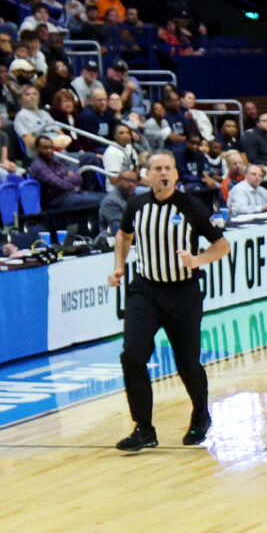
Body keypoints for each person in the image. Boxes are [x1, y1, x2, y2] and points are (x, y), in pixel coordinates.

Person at [110, 151, 232, 452]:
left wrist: (197, 260)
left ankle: (201, 415)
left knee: (187, 363)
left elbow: (222, 245)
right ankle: (144, 428)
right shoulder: (137, 206)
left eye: (168, 168)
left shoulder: (190, 205)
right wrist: (119, 266)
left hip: (182, 293)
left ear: (176, 175)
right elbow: (123, 236)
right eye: (157, 168)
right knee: (132, 355)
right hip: (146, 290)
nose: (163, 173)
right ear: (147, 175)